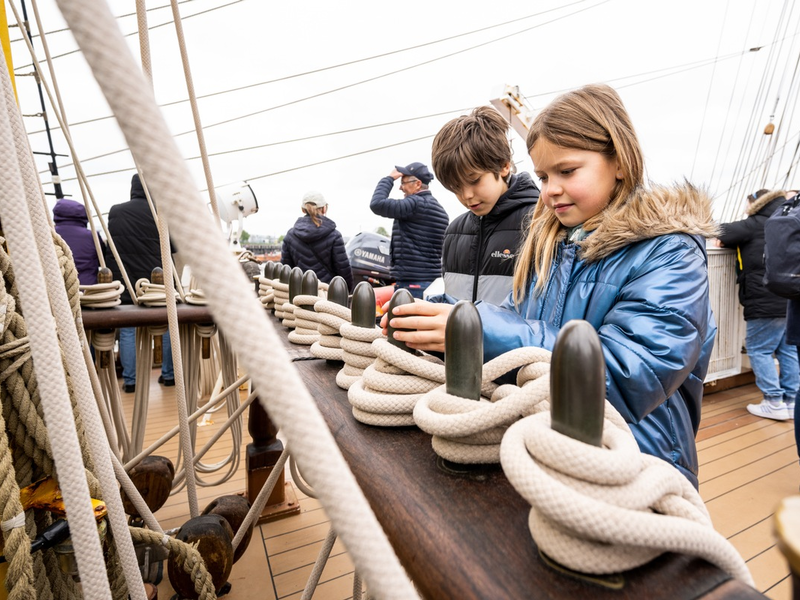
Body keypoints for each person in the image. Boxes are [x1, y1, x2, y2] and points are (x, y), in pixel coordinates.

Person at [382, 84, 718, 488]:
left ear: (621, 163)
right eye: (543, 175)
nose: (549, 189)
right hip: (551, 449)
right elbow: (515, 316)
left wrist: (482, 332)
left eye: (567, 171)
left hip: (638, 464)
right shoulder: (553, 245)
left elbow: (632, 376)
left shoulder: (670, 253)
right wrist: (447, 319)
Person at [430, 106, 539, 304]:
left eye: (474, 180)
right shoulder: (453, 232)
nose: (467, 195)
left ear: (504, 165)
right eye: (455, 187)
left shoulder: (539, 223)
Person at [716, 189, 799, 420]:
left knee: (759, 349)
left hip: (763, 299)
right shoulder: (787, 218)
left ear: (755, 203)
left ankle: (773, 401)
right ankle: (791, 401)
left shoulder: (754, 223)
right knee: (787, 349)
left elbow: (719, 230)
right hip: (790, 296)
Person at [105, 173, 174, 393]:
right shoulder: (159, 214)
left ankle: (131, 381)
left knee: (127, 331)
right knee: (166, 327)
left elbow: (112, 244)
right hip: (156, 282)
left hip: (126, 280)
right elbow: (174, 246)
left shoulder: (116, 211)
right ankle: (170, 376)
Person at [369, 162, 449, 299]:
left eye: (404, 183)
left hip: (412, 284)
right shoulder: (441, 211)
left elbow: (377, 204)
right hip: (431, 281)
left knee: (402, 320)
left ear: (417, 184)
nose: (400, 187)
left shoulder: (415, 204)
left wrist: (389, 179)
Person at [281, 191, 354, 290]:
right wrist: (348, 291)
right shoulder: (334, 235)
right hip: (328, 294)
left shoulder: (290, 236)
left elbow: (286, 270)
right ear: (324, 209)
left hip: (300, 294)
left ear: (303, 209)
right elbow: (343, 269)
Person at [53, 197, 104, 286]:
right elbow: (102, 259)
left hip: (57, 289)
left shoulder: (50, 234)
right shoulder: (92, 236)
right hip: (88, 289)